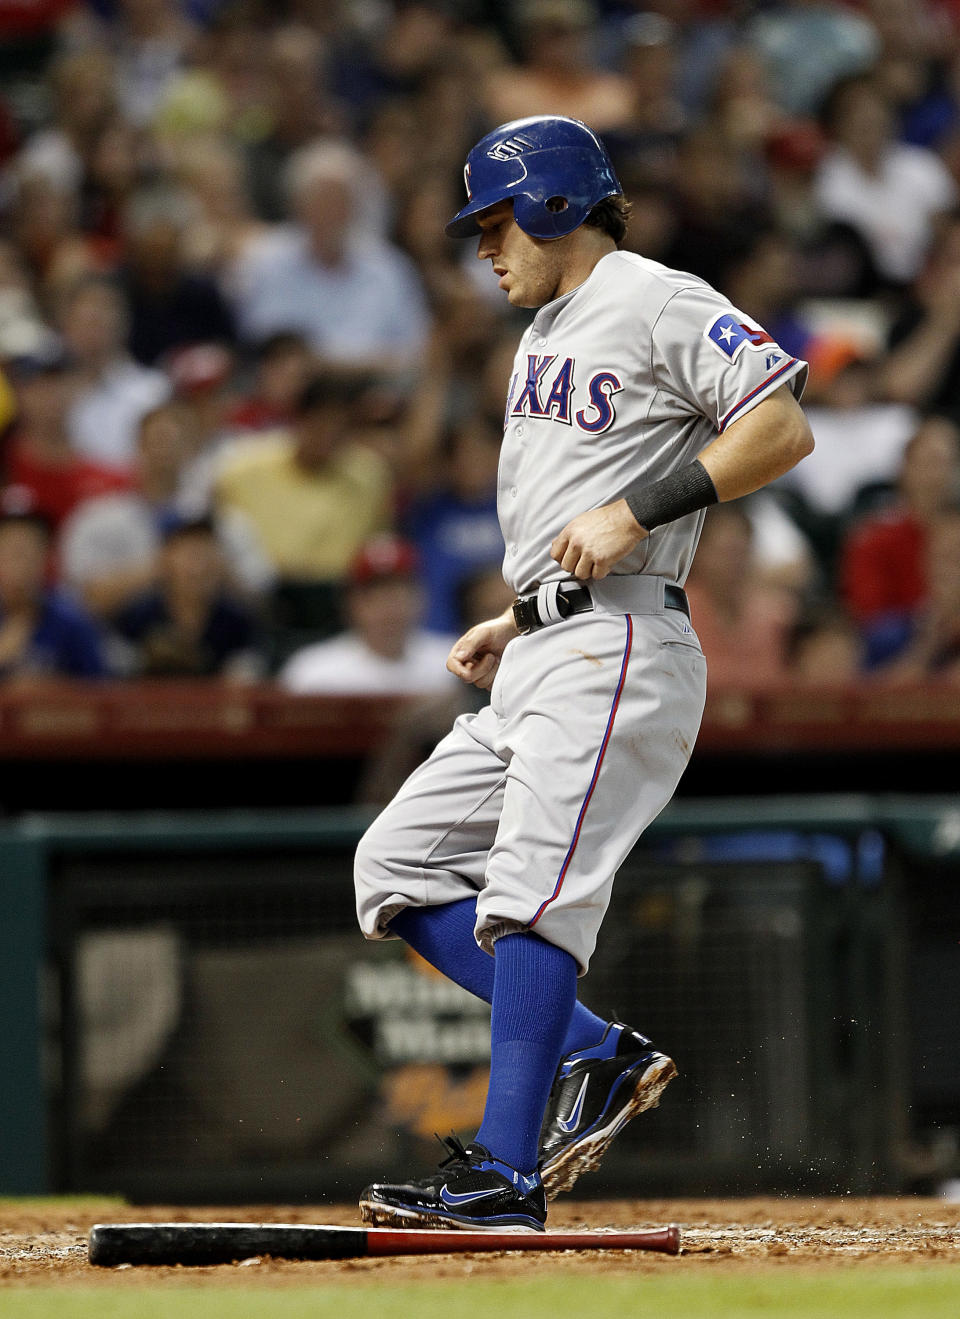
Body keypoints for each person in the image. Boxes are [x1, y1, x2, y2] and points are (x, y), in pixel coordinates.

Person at [353, 114, 813, 1232]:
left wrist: (638, 510)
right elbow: (575, 520)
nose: (483, 246)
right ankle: (596, 1056)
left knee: (530, 900)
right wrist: (514, 617)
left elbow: (781, 429)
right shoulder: (546, 330)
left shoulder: (655, 294)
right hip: (549, 642)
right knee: (396, 865)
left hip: (619, 646)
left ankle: (504, 1177)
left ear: (556, 202)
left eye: (494, 219)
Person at [278, 535, 455, 697]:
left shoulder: (453, 664)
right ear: (352, 604)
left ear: (421, 597)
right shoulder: (313, 672)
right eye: (375, 597)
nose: (389, 608)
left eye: (398, 594)